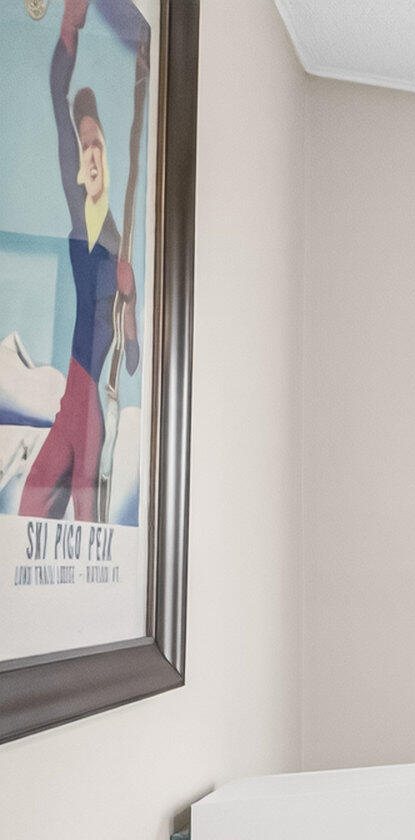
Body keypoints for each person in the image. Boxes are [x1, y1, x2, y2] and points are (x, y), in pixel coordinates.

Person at [23, 0, 149, 523]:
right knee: (29, 508)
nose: (90, 153)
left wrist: (132, 307)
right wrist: (69, 29)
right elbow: (59, 100)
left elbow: (136, 356)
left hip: (92, 409)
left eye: (96, 144)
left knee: (88, 527)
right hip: (66, 409)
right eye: (83, 146)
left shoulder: (120, 242)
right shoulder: (83, 224)